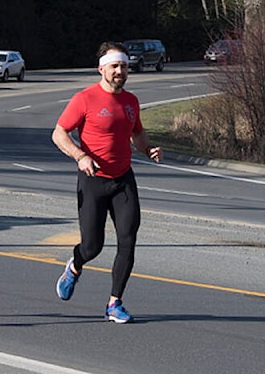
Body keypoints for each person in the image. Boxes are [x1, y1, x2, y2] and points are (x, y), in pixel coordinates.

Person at [51, 41, 162, 324]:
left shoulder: (131, 101)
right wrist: (80, 156)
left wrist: (147, 149)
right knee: (93, 246)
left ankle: (115, 303)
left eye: (124, 66)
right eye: (114, 66)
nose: (119, 71)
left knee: (128, 239)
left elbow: (136, 133)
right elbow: (59, 133)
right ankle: (75, 266)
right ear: (101, 68)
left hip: (123, 180)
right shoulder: (84, 99)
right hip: (93, 180)